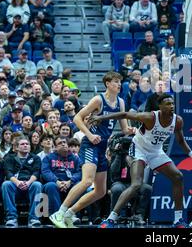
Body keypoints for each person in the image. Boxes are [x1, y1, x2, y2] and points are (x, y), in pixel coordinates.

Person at [92, 93, 192, 228]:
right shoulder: (150, 117)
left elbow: (181, 140)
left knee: (178, 177)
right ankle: (111, 219)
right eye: (168, 104)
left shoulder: (177, 120)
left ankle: (178, 220)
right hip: (139, 149)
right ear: (160, 106)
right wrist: (101, 117)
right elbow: (125, 114)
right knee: (136, 184)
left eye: (172, 103)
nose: (171, 106)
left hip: (156, 152)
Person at [49, 71, 132, 228]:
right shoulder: (98, 100)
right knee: (87, 180)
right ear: (107, 84)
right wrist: (89, 134)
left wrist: (134, 130)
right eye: (116, 81)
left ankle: (70, 213)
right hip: (90, 144)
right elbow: (77, 118)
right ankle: (59, 212)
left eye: (120, 82)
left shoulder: (120, 102)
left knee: (100, 191)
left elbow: (125, 128)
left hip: (102, 147)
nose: (119, 84)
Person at [2, 136, 42, 227]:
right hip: (15, 185)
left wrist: (28, 183)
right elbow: (8, 173)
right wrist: (18, 182)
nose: (25, 146)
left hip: (30, 185)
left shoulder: (35, 158)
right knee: (6, 184)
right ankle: (11, 218)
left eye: (27, 144)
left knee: (37, 184)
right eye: (22, 144)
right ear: (16, 147)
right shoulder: (9, 158)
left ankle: (34, 218)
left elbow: (36, 172)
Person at [41, 136, 82, 215]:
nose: (63, 144)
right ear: (55, 147)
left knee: (78, 186)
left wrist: (70, 181)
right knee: (50, 186)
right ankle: (57, 215)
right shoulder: (48, 158)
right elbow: (45, 172)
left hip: (71, 183)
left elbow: (80, 172)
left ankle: (74, 215)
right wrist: (57, 182)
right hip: (55, 183)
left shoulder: (75, 158)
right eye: (60, 143)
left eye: (65, 142)